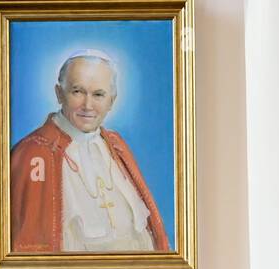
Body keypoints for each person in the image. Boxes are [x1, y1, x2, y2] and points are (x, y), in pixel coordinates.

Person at [10, 51, 169, 253]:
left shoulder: (116, 144)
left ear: (111, 101)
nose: (88, 105)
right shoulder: (33, 152)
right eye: (77, 91)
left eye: (98, 95)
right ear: (59, 94)